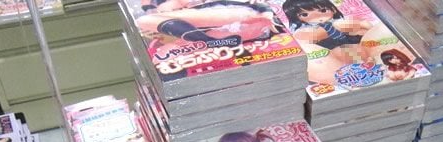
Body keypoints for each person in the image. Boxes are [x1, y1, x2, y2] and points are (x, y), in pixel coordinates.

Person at [136, 0, 282, 46]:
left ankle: (207, 41)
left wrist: (266, 13)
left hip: (241, 16)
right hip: (204, 31)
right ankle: (206, 41)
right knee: (144, 20)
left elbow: (258, 5)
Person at [282, 0, 371, 50]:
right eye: (304, 14)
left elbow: (361, 26)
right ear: (297, 18)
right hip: (328, 47)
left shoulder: (339, 22)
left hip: (348, 40)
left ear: (333, 9)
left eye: (323, 10)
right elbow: (303, 38)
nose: (317, 17)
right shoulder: (306, 29)